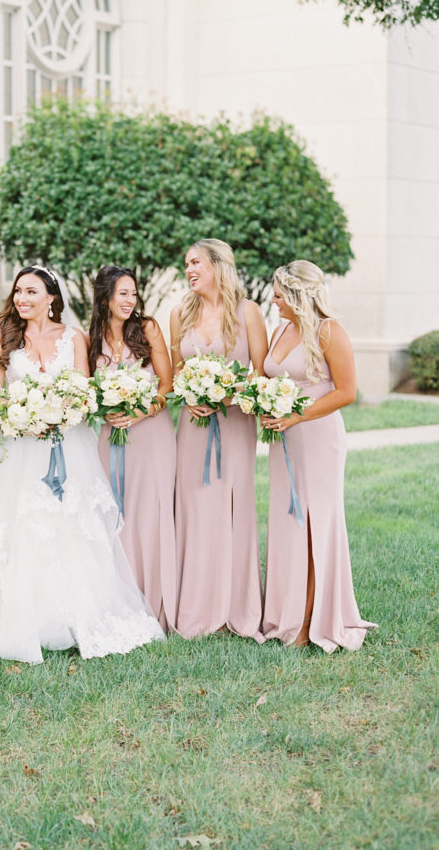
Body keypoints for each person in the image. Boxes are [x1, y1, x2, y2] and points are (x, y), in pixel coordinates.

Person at [0, 265, 164, 663]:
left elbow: (85, 394)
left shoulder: (74, 338)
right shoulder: (2, 339)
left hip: (68, 447)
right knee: (21, 526)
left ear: (51, 297)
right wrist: (26, 416)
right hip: (20, 448)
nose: (22, 299)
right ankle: (13, 620)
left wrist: (63, 412)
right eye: (17, 292)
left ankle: (77, 618)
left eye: (31, 292)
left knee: (72, 527)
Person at [261, 260, 376, 651]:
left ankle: (312, 620)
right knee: (288, 522)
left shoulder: (329, 331)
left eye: (278, 294)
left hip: (317, 438)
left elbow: (346, 391)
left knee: (313, 525)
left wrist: (295, 416)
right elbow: (271, 377)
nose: (273, 300)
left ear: (296, 295)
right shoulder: (281, 328)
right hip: (284, 440)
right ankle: (286, 612)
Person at [169, 239, 268, 641]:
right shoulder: (179, 313)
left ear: (218, 264)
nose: (189, 269)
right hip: (193, 429)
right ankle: (196, 607)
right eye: (186, 264)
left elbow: (260, 372)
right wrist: (191, 395)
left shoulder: (248, 312)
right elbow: (176, 372)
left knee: (233, 505)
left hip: (235, 425)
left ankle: (235, 608)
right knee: (195, 508)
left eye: (195, 262)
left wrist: (227, 394)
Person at [88, 265, 177, 630]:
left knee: (150, 513)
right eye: (123, 293)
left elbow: (167, 386)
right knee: (115, 514)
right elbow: (84, 389)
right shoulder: (90, 338)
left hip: (152, 435)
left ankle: (157, 601)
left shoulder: (148, 328)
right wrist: (105, 410)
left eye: (134, 294)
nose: (130, 300)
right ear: (106, 297)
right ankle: (121, 601)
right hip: (111, 438)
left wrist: (139, 413)